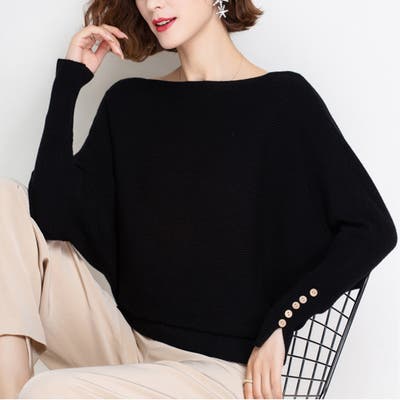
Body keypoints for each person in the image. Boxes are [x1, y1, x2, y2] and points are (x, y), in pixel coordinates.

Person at [0, 0, 397, 398]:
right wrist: (69, 81)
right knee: (4, 200)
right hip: (127, 352)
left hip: (217, 376)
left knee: (48, 393)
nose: (153, 3)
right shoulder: (129, 103)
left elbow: (371, 229)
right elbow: (47, 217)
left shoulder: (284, 101)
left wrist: (282, 321)